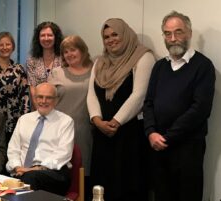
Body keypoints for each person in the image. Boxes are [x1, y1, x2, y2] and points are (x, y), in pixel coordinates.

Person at [144, 11, 215, 201]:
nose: (173, 38)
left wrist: (167, 137)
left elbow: (200, 109)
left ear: (189, 33)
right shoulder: (160, 66)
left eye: (178, 32)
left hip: (187, 149)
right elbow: (148, 102)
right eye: (168, 34)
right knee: (161, 195)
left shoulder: (203, 66)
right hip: (157, 146)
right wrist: (151, 132)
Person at [87, 18, 155, 201]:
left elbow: (140, 95)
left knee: (127, 186)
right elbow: (91, 94)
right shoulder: (100, 61)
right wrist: (97, 120)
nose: (110, 40)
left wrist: (115, 122)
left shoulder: (143, 57)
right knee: (101, 187)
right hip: (103, 132)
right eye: (106, 36)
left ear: (125, 33)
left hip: (129, 134)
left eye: (115, 34)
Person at [6, 83, 74, 196]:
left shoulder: (66, 121)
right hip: (23, 173)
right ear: (34, 98)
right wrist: (18, 167)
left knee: (29, 178)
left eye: (48, 97)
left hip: (54, 174)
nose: (43, 101)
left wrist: (36, 169)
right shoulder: (24, 119)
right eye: (40, 97)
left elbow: (63, 154)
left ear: (56, 100)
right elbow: (13, 148)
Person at [47, 35, 93, 177]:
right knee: (58, 171)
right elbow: (46, 100)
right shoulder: (56, 73)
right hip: (57, 130)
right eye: (65, 52)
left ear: (82, 50)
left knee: (82, 172)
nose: (69, 54)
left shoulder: (95, 72)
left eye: (73, 50)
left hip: (84, 130)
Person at [26, 22, 64, 91]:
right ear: (38, 38)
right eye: (43, 35)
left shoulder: (64, 59)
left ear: (56, 38)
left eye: (49, 35)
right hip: (38, 101)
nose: (46, 38)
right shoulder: (32, 60)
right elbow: (32, 89)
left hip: (61, 100)